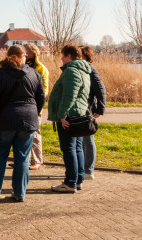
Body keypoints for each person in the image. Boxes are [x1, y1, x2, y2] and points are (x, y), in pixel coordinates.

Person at [0, 45, 45, 202]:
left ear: (8, 56)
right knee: (23, 158)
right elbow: (41, 97)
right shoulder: (34, 73)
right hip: (29, 121)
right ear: (23, 56)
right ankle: (19, 193)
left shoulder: (1, 73)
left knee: (0, 156)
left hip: (6, 121)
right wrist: (33, 113)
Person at [48, 44, 91, 193]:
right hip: (78, 115)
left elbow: (68, 96)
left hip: (69, 116)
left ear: (69, 56)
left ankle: (70, 182)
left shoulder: (71, 71)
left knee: (69, 149)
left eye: (63, 55)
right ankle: (78, 180)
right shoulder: (84, 70)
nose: (61, 58)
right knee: (77, 148)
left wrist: (62, 115)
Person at [80, 46, 107, 180]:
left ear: (85, 56)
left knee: (88, 139)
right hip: (82, 108)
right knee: (82, 139)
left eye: (79, 55)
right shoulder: (81, 68)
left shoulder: (90, 69)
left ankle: (89, 170)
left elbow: (101, 89)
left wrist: (100, 109)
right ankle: (82, 169)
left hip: (88, 108)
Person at [23, 43, 49, 170]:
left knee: (35, 133)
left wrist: (37, 105)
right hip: (24, 106)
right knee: (23, 133)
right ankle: (24, 160)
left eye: (27, 52)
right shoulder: (23, 66)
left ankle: (37, 160)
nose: (25, 54)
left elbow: (44, 90)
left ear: (33, 53)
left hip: (35, 105)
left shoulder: (41, 68)